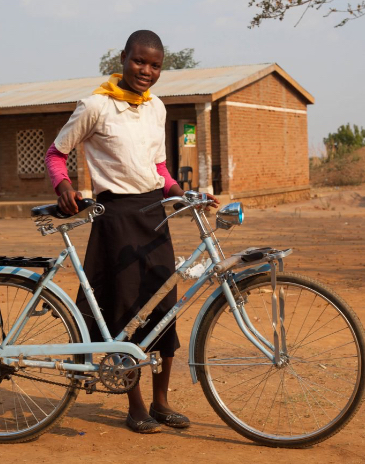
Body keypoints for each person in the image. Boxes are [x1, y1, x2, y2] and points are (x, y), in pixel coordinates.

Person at [45, 30, 218, 434]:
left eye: (155, 65)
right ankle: (134, 404)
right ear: (122, 58)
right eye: (139, 61)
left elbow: (158, 167)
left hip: (155, 213)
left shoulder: (157, 108)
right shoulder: (95, 105)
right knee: (125, 312)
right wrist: (64, 185)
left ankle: (161, 402)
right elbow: (57, 153)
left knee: (165, 309)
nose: (147, 71)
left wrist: (182, 193)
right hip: (116, 216)